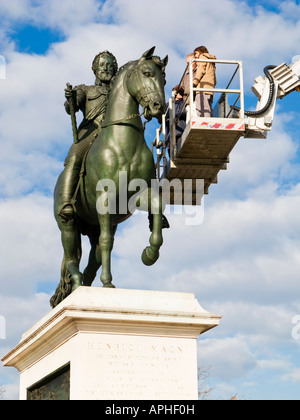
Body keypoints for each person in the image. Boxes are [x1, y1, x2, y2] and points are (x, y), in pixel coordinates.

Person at [58, 51, 118, 221]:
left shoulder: (120, 90)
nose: (106, 68)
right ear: (95, 69)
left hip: (115, 133)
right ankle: (66, 202)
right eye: (102, 65)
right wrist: (71, 99)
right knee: (75, 155)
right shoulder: (85, 89)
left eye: (110, 65)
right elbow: (71, 107)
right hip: (91, 133)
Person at [193, 46, 217, 117]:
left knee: (202, 108)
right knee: (208, 107)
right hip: (209, 88)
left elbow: (201, 70)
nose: (195, 56)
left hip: (202, 87)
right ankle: (210, 121)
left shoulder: (203, 57)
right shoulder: (211, 61)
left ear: (201, 52)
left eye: (196, 53)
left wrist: (195, 82)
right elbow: (214, 78)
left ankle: (206, 123)